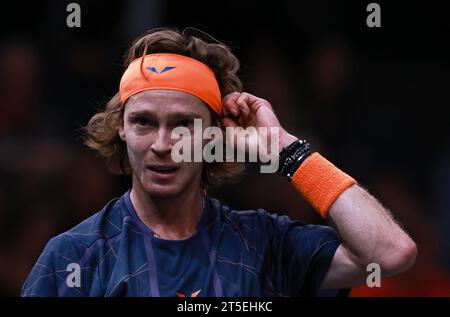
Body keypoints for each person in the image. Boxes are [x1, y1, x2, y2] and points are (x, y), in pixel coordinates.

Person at [21, 28, 417, 297]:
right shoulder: (73, 256)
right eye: (143, 122)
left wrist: (285, 149)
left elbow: (390, 253)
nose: (162, 144)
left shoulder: (265, 243)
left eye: (183, 125)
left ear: (214, 133)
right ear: (120, 128)